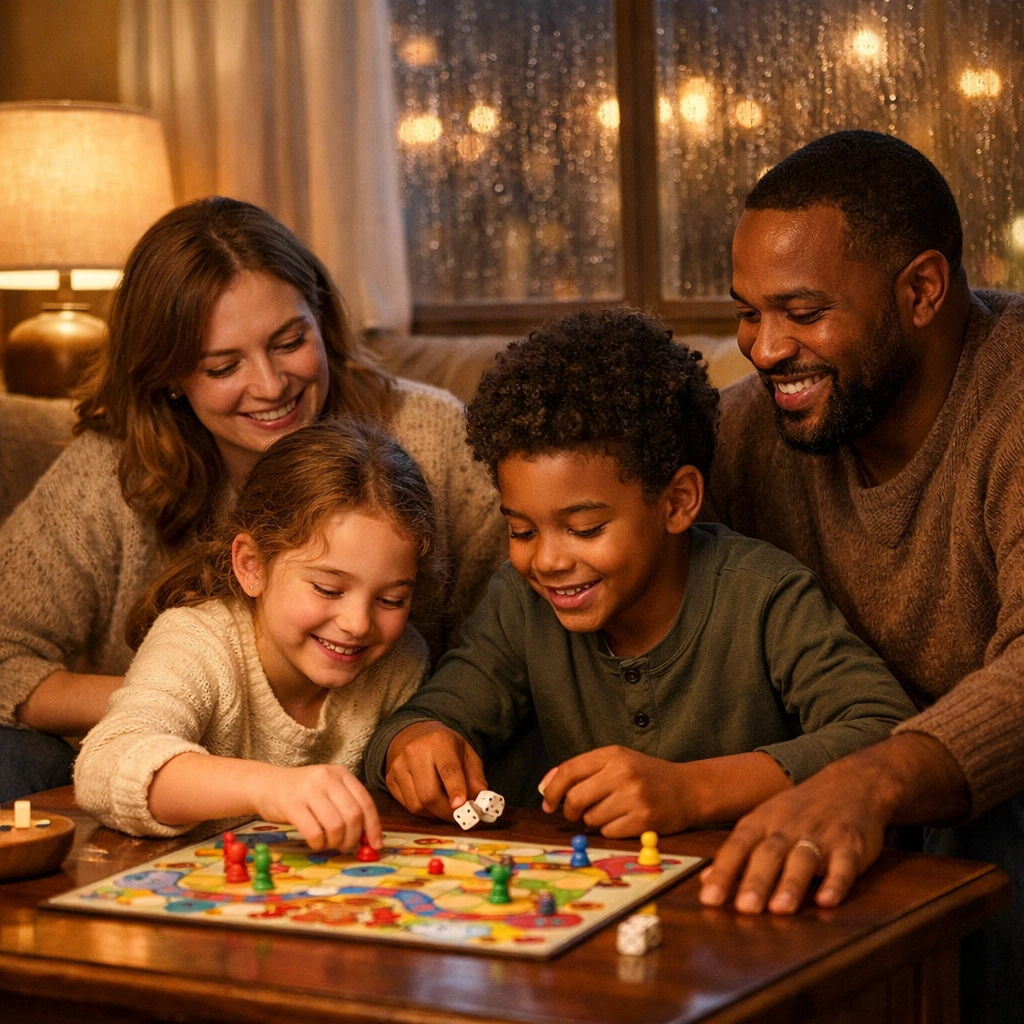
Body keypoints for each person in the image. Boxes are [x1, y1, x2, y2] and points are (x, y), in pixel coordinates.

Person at [0, 196, 504, 803]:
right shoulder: (109, 473)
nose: (270, 387)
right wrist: (184, 695)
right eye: (222, 367)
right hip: (144, 771)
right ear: (168, 377)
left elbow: (504, 631)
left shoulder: (432, 435)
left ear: (320, 316)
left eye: (289, 341)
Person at [697, 129, 1024, 1023]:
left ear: (921, 289)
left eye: (802, 313)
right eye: (747, 313)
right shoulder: (745, 431)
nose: (763, 350)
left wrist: (869, 781)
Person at [363, 309, 917, 835]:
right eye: (522, 531)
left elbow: (884, 730)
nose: (548, 560)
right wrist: (414, 740)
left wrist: (689, 791)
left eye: (584, 529)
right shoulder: (520, 602)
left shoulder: (763, 595)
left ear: (677, 502)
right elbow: (429, 715)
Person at [75, 418, 435, 849]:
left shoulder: (400, 661)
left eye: (391, 600)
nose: (358, 623)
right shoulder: (198, 641)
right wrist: (270, 787)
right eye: (327, 588)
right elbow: (105, 764)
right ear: (251, 566)